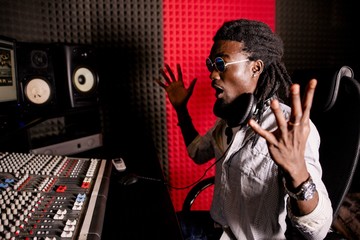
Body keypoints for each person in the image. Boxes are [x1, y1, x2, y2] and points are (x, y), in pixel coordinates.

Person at [156, 19, 333, 240]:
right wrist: (181, 110)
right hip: (217, 229)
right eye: (211, 65)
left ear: (255, 67)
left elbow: (319, 231)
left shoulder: (288, 130)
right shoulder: (228, 120)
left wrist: (298, 175)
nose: (212, 74)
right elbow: (197, 153)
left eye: (221, 64)